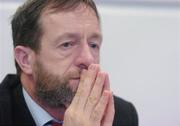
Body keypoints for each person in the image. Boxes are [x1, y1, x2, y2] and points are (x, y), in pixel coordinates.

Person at [0, 0, 138, 126]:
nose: (88, 59)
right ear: (25, 59)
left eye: (93, 45)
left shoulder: (120, 115)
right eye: (67, 44)